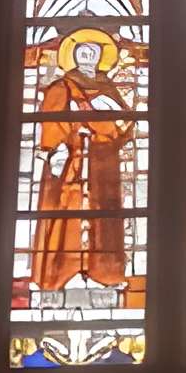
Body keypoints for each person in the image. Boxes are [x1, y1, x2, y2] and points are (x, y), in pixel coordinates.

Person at [31, 30, 134, 290]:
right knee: (67, 214)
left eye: (94, 52)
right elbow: (51, 124)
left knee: (105, 217)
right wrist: (60, 145)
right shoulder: (62, 87)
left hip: (103, 162)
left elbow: (125, 124)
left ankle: (104, 274)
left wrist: (112, 128)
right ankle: (62, 273)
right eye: (83, 51)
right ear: (73, 55)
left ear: (102, 57)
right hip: (71, 161)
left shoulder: (107, 88)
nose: (89, 56)